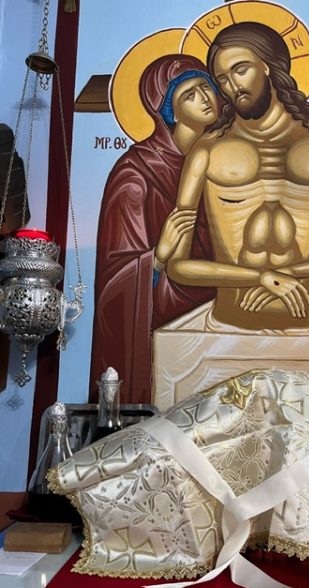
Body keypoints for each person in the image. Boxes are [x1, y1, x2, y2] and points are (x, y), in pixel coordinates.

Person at [167, 22, 309, 331]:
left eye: (240, 70)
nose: (233, 86)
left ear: (268, 66)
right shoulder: (206, 151)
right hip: (232, 317)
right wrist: (261, 277)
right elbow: (178, 265)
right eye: (222, 79)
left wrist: (291, 273)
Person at [90, 54, 219, 404]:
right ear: (170, 112)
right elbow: (113, 280)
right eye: (190, 94)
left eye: (206, 86)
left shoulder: (227, 158)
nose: (205, 98)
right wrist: (158, 256)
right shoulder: (135, 174)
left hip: (217, 297)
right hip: (163, 306)